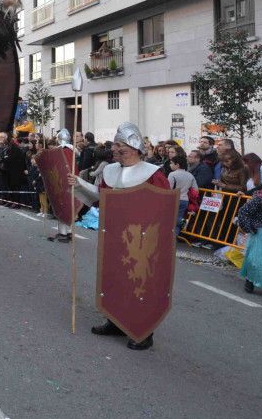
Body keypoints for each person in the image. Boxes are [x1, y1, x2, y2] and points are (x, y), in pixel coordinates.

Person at [69, 122, 171, 350]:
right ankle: (115, 321)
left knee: (140, 282)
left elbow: (163, 208)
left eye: (118, 145)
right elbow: (101, 196)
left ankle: (143, 330)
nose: (113, 149)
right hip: (114, 235)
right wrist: (80, 183)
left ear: (133, 147)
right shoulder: (110, 171)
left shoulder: (153, 176)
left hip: (143, 241)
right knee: (114, 279)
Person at [167, 156, 197, 235]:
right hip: (185, 200)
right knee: (177, 218)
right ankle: (173, 239)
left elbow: (169, 188)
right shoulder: (190, 175)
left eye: (171, 163)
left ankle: (182, 221)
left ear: (177, 165)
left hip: (173, 199)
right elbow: (195, 190)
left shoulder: (172, 174)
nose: (170, 165)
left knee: (168, 217)